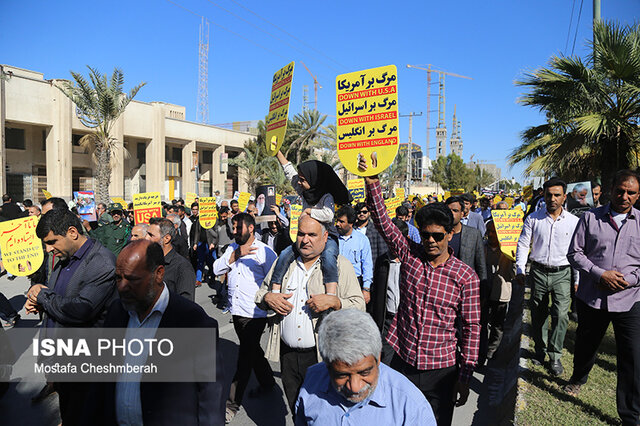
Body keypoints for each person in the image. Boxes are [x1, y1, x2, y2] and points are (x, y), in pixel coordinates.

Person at [360, 158, 480, 426]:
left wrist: (464, 377)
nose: (431, 241)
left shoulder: (465, 277)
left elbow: (472, 329)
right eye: (426, 235)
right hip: (402, 361)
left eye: (438, 236)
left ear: (450, 234)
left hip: (441, 370)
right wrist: (372, 182)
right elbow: (383, 223)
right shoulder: (410, 256)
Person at [88, 240, 225, 425]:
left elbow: (210, 399)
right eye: (118, 278)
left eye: (132, 279)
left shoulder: (193, 322)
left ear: (159, 274)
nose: (122, 286)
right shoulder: (116, 312)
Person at [255, 214, 365, 418]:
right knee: (296, 408)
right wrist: (269, 297)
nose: (305, 240)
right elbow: (260, 294)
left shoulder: (341, 266)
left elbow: (359, 307)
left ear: (325, 238)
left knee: (323, 413)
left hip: (321, 358)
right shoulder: (283, 263)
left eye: (312, 235)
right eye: (301, 234)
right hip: (287, 355)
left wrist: (336, 302)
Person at [26, 208, 117, 426]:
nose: (48, 250)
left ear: (73, 232)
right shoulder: (64, 256)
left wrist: (44, 295)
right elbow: (61, 297)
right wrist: (42, 300)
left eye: (52, 242)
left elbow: (81, 309)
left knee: (85, 414)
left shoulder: (101, 263)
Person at [564, 170, 640, 425]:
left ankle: (630, 415)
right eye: (620, 190)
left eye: (631, 192)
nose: (624, 196)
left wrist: (629, 280)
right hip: (592, 298)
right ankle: (578, 377)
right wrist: (600, 274)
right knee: (586, 345)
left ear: (638, 195)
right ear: (611, 189)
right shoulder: (590, 218)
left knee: (632, 356)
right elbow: (575, 253)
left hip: (629, 300)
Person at [295, 309, 436, 425]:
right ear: (327, 365)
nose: (354, 387)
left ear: (378, 358)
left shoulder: (411, 405)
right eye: (342, 375)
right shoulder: (311, 382)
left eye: (364, 373)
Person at [212, 213, 278, 423]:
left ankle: (230, 406)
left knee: (244, 358)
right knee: (253, 352)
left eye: (238, 228)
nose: (234, 231)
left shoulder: (265, 252)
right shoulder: (232, 249)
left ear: (250, 228)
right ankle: (267, 382)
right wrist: (235, 256)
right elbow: (216, 269)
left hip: (256, 313)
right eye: (233, 227)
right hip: (237, 312)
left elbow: (276, 280)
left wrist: (272, 309)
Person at [515, 178, 579, 376]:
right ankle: (540, 351)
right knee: (539, 313)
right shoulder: (533, 219)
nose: (552, 198)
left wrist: (577, 279)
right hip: (539, 272)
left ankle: (555, 356)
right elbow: (524, 244)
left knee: (560, 315)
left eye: (557, 195)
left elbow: (577, 251)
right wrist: (520, 269)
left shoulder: (574, 222)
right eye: (549, 194)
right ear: (543, 195)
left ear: (564, 197)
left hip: (563, 273)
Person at [270, 150, 352, 300]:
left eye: (303, 180)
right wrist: (278, 153)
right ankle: (275, 290)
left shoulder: (326, 196)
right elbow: (289, 172)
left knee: (328, 257)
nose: (299, 182)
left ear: (313, 180)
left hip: (328, 237)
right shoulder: (304, 191)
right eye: (300, 179)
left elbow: (328, 215)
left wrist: (309, 211)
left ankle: (330, 294)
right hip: (307, 235)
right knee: (284, 255)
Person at [370, 218, 409, 365]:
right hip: (387, 320)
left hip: (407, 320)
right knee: (386, 360)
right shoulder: (382, 261)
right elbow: (377, 294)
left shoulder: (412, 263)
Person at [484, 220, 516, 360]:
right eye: (489, 231)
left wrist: (514, 259)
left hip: (501, 292)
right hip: (484, 290)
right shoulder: (482, 247)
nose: (492, 235)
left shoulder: (508, 251)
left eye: (495, 232)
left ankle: (492, 348)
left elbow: (514, 275)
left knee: (497, 323)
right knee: (482, 321)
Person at [146, 217, 196, 301]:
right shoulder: (149, 261)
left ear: (166, 238)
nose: (146, 238)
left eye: (151, 235)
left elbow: (186, 304)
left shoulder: (182, 267)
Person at [334, 205, 373, 303]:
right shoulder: (332, 238)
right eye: (337, 221)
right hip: (334, 283)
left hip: (354, 283)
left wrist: (366, 289)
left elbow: (367, 265)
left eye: (342, 222)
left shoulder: (362, 240)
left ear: (351, 223)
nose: (338, 224)